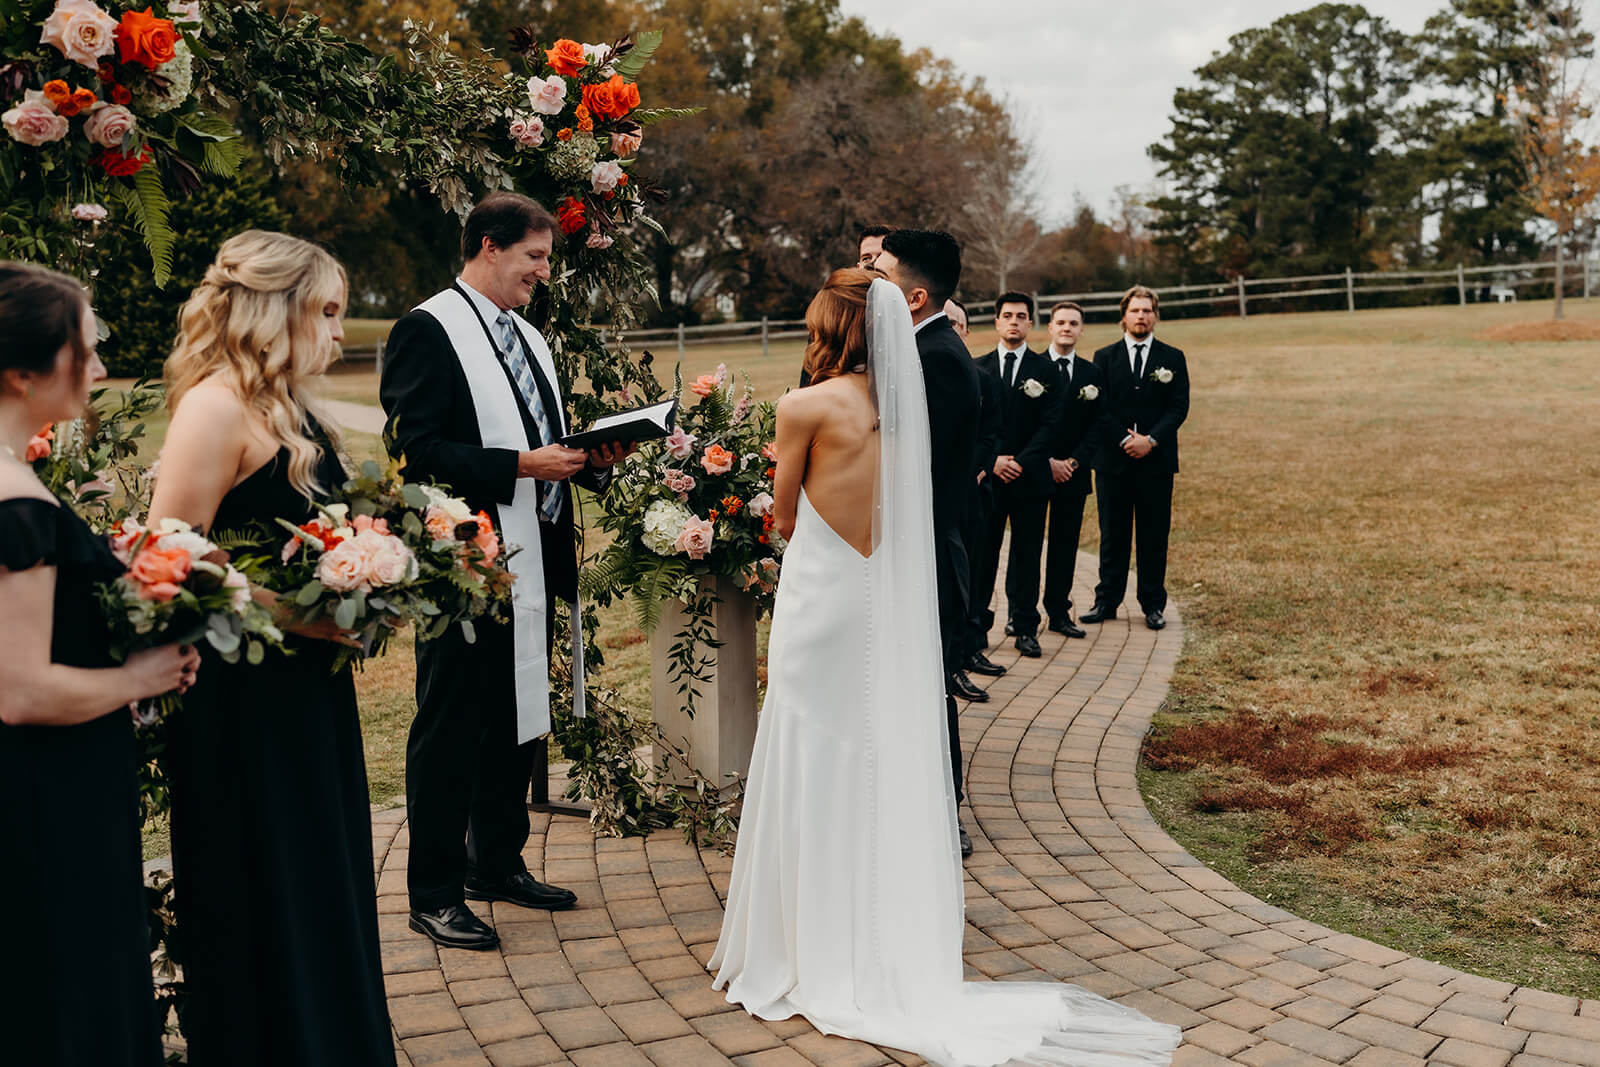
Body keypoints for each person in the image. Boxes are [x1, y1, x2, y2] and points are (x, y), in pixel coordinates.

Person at [708, 270, 1180, 1067]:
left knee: (810, 746)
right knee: (869, 748)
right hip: (877, 595)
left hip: (820, 597)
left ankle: (801, 933)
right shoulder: (906, 405)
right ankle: (869, 925)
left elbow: (783, 517)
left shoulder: (803, 406)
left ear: (830, 329)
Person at [147, 231, 392, 1065]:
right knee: (266, 883)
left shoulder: (292, 409)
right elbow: (170, 552)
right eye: (327, 311)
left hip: (309, 689)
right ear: (272, 310)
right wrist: (295, 614)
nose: (339, 332)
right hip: (243, 701)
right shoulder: (214, 407)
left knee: (323, 878)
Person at [381, 193, 629, 951]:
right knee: (452, 723)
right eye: (535, 257)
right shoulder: (427, 330)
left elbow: (545, 439)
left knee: (517, 714)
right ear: (489, 246)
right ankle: (433, 890)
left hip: (536, 552)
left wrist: (592, 459)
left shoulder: (529, 337)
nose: (544, 273)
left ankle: (496, 861)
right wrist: (520, 465)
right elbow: (416, 453)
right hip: (465, 559)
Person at [0, 263, 198, 1067]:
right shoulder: (15, 504)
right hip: (50, 800)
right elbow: (20, 689)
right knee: (66, 996)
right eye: (85, 350)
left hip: (48, 786)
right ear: (23, 372)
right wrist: (143, 677)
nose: (102, 366)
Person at [873, 230, 981, 858]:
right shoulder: (919, 347)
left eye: (881, 275)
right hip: (911, 546)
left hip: (928, 553)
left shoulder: (936, 358)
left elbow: (923, 473)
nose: (871, 284)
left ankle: (945, 811)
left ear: (913, 298)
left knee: (928, 685)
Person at [1082, 286, 1190, 630]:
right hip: (1113, 462)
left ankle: (1153, 604)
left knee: (1153, 535)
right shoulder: (1104, 357)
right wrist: (1125, 439)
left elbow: (1178, 407)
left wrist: (1151, 440)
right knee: (1112, 534)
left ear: (1155, 316)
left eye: (1147, 310)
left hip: (1156, 463)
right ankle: (1106, 600)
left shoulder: (1173, 357)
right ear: (1123, 316)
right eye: (1135, 310)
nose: (1141, 316)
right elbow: (1099, 408)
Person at [970, 292, 1061, 658]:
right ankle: (976, 628)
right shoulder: (977, 368)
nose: (1014, 321)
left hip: (1030, 478)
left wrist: (1021, 461)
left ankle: (1025, 627)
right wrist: (992, 460)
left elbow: (1052, 424)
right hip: (989, 480)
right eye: (1007, 315)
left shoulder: (1047, 370)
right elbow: (972, 425)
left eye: (1021, 316)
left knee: (1027, 556)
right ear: (997, 322)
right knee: (983, 556)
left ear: (1030, 323)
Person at [948, 297, 1006, 690]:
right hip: (941, 495)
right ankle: (952, 662)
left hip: (973, 490)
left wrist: (979, 468)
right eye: (945, 320)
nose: (950, 328)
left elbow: (992, 433)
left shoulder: (984, 377)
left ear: (966, 331)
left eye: (957, 323)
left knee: (976, 573)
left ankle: (970, 648)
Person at [1039, 302, 1104, 637]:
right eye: (1061, 322)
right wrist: (1046, 461)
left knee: (1065, 545)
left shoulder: (1092, 374)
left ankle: (1059, 612)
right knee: (1027, 546)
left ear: (1081, 330)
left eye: (1073, 323)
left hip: (1074, 473)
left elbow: (1098, 425)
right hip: (1036, 470)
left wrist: (1074, 462)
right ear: (1050, 327)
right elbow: (1024, 424)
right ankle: (1021, 613)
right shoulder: (1033, 367)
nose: (1067, 328)